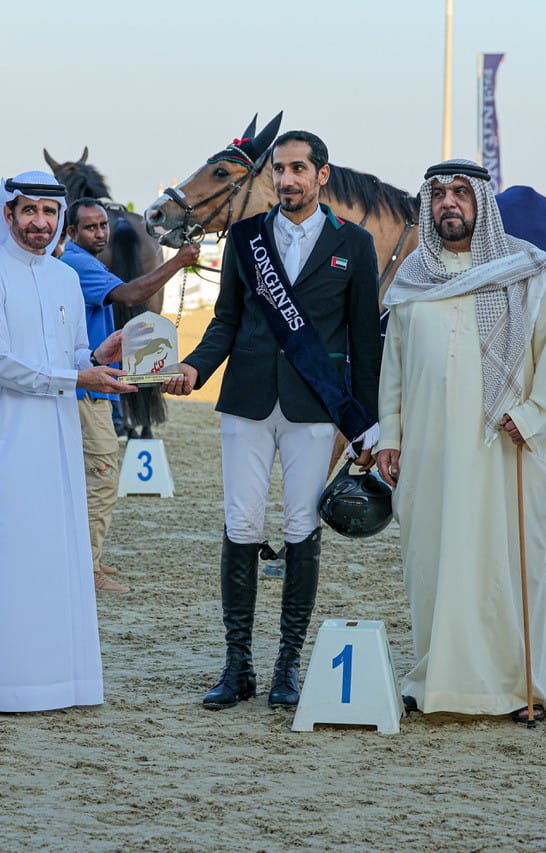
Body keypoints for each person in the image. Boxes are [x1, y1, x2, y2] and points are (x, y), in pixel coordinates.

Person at [162, 130, 382, 711]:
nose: (286, 180)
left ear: (322, 175)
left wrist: (368, 427)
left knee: (301, 526)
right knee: (240, 524)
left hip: (316, 407)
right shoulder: (245, 238)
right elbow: (226, 320)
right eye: (279, 170)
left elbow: (365, 339)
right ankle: (238, 666)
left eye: (297, 169)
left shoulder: (353, 244)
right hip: (249, 401)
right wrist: (194, 366)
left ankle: (288, 665)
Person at [375, 159, 546, 722]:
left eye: (461, 192)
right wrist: (390, 436)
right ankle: (437, 681)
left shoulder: (526, 270)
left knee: (502, 565)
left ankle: (515, 688)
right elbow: (393, 366)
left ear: (481, 203)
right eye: (438, 194)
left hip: (503, 446)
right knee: (433, 561)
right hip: (428, 451)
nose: (449, 203)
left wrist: (533, 415)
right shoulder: (413, 274)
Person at [0, 171, 140, 713]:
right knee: (2, 558)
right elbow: (2, 364)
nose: (39, 223)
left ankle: (60, 683)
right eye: (28, 211)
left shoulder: (61, 278)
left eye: (49, 213)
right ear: (7, 215)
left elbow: (73, 353)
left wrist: (101, 357)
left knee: (54, 556)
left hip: (55, 438)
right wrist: (80, 378)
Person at [60, 197, 200, 594]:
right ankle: (87, 569)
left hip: (86, 377)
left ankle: (87, 558)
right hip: (87, 389)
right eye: (90, 227)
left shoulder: (76, 258)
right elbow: (131, 296)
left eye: (103, 225)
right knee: (102, 477)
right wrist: (177, 261)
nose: (101, 233)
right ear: (71, 232)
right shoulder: (79, 262)